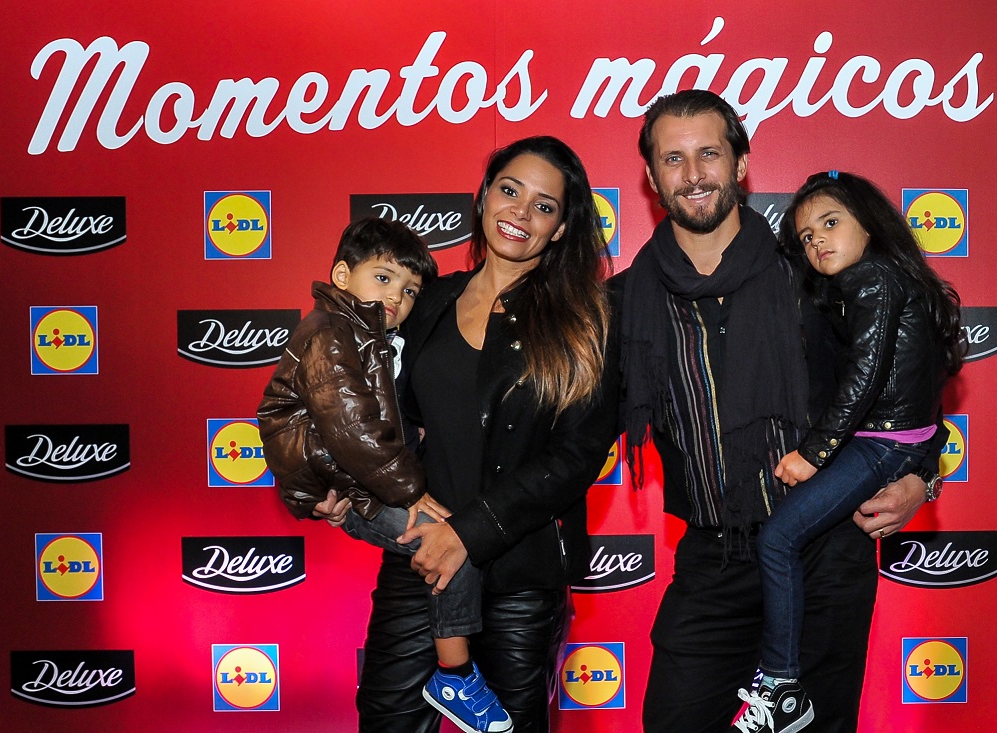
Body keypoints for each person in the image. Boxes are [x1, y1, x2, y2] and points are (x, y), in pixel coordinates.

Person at [616, 90, 947, 733]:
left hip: (824, 552)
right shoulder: (626, 302)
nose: (693, 173)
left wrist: (920, 474)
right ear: (652, 178)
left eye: (710, 153)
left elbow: (908, 374)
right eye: (673, 159)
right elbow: (574, 427)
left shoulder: (813, 278)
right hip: (712, 559)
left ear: (740, 164)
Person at [317, 135, 619, 733]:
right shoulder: (426, 301)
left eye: (544, 206)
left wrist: (469, 532)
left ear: (560, 228)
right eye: (509, 190)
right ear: (483, 198)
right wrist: (338, 482)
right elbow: (377, 412)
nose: (520, 212)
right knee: (386, 720)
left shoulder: (585, 322)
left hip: (519, 573)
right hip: (420, 562)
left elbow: (578, 455)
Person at [725, 170, 964, 732]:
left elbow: (875, 383)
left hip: (852, 508)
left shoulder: (871, 279)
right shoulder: (860, 282)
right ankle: (779, 686)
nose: (818, 242)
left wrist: (916, 474)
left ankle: (779, 686)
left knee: (779, 543)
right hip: (733, 546)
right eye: (807, 236)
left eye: (830, 224)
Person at [257, 218, 516, 733]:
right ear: (342, 275)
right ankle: (455, 676)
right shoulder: (330, 334)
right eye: (383, 278)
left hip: (355, 484)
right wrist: (410, 491)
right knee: (449, 545)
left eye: (410, 289)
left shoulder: (372, 337)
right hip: (352, 487)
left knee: (449, 546)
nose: (396, 296)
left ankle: (456, 673)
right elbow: (352, 429)